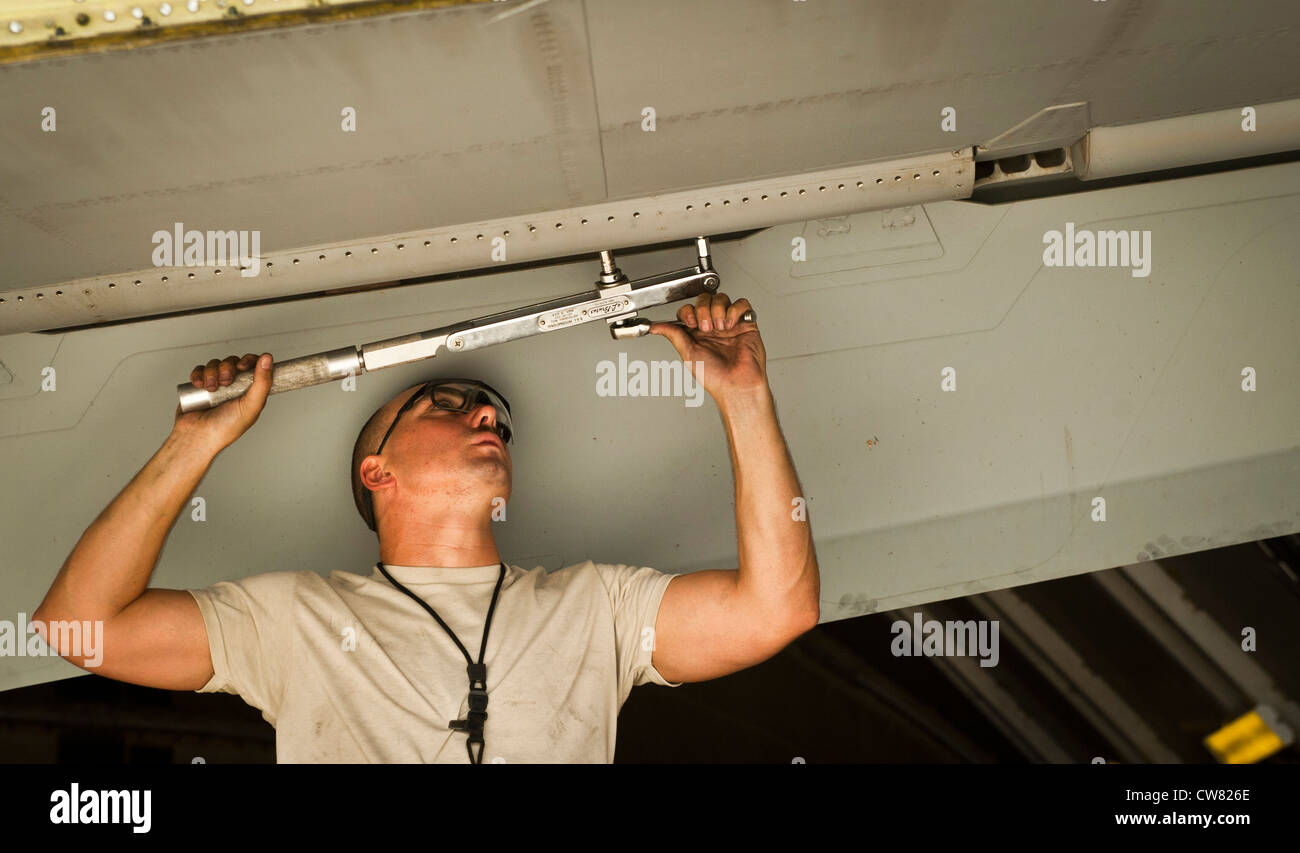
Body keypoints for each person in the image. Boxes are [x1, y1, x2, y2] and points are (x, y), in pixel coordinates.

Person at [34, 292, 820, 763]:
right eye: (446, 406)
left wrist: (743, 396)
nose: (488, 416)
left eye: (495, 420)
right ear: (378, 472)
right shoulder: (297, 621)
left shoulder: (599, 608)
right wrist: (194, 440)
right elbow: (79, 625)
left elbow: (776, 609)